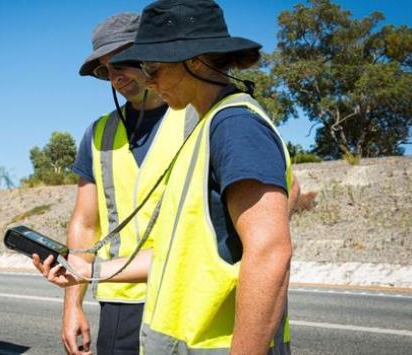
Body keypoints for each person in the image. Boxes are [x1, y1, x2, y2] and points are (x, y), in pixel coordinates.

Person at [35, 1, 296, 354]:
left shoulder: (234, 125)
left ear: (195, 61)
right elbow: (175, 252)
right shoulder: (204, 129)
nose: (150, 78)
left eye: (153, 66)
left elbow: (269, 252)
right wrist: (85, 274)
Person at [62, 13, 198, 355]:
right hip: (120, 300)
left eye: (123, 61)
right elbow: (84, 223)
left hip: (186, 295)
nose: (116, 76)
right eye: (106, 70)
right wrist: (72, 306)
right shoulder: (99, 134)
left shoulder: (199, 116)